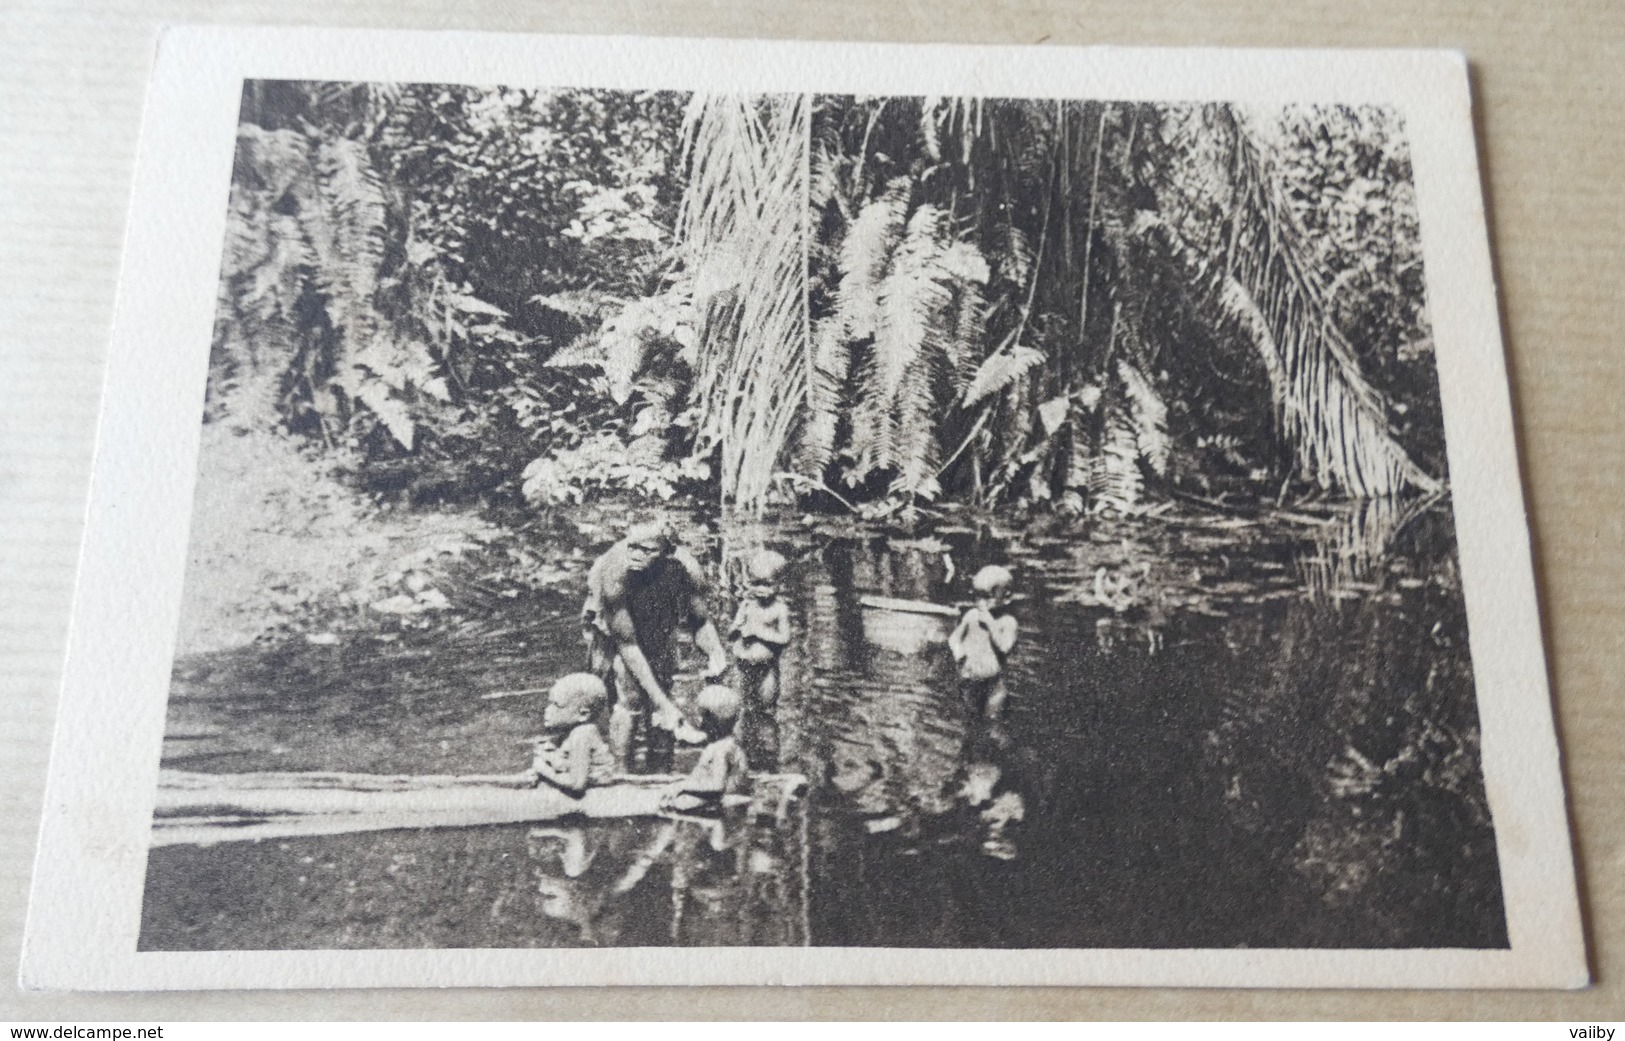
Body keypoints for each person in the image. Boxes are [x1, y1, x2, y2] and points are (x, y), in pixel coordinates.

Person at [582, 519, 728, 768]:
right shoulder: (615, 574)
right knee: (629, 696)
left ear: (667, 553)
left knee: (663, 684)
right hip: (613, 625)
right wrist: (666, 706)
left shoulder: (687, 569)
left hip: (659, 618)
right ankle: (620, 770)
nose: (636, 556)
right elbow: (627, 644)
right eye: (633, 547)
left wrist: (715, 653)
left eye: (647, 550)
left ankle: (661, 767)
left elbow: (701, 621)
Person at [660, 684, 749, 815]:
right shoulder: (726, 744)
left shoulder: (722, 748)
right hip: (721, 801)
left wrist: (681, 787)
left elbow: (717, 786)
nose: (700, 722)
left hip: (719, 804)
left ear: (716, 720)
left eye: (704, 716)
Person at [526, 673, 616, 798]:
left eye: (557, 705)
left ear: (583, 714)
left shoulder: (582, 734)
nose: (547, 710)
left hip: (598, 794)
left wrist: (542, 769)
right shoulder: (571, 731)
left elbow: (577, 784)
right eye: (549, 703)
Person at [947, 564, 1019, 719]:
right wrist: (958, 650)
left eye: (988, 596)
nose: (981, 602)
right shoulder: (971, 615)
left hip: (993, 686)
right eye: (978, 596)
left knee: (993, 725)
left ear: (1006, 596)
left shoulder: (1008, 622)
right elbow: (954, 638)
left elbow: (1005, 647)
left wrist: (991, 624)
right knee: (968, 721)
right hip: (970, 681)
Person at [727, 549, 790, 707]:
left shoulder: (779, 609)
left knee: (766, 707)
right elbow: (731, 634)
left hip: (767, 668)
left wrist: (758, 633)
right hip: (743, 666)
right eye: (755, 583)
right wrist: (737, 630)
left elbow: (785, 638)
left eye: (766, 584)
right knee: (742, 707)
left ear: (780, 584)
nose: (760, 589)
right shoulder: (746, 605)